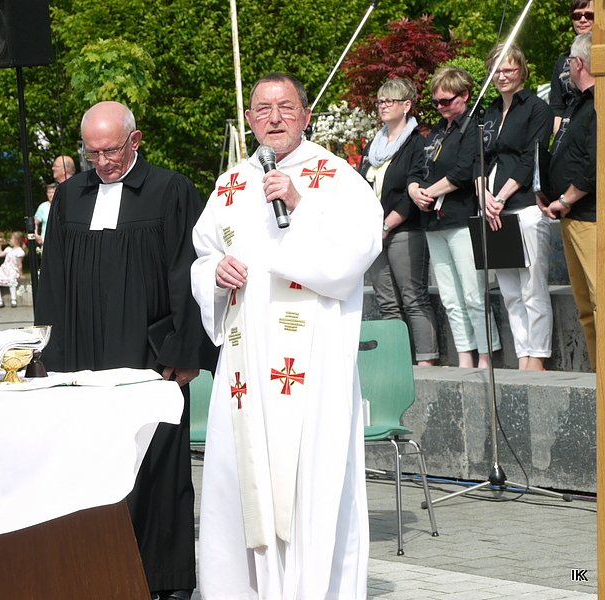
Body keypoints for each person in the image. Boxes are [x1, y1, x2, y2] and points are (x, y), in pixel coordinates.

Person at [191, 73, 381, 598]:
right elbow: (203, 255)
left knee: (308, 481)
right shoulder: (230, 184)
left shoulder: (336, 177)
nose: (274, 118)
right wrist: (214, 274)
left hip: (311, 361)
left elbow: (360, 249)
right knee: (241, 476)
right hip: (246, 363)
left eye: (286, 107)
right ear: (249, 119)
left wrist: (301, 204)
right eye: (263, 109)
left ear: (306, 115)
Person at [34, 101, 215, 600]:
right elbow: (53, 279)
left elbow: (188, 273)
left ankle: (163, 581)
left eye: (110, 151)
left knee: (156, 465)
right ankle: (94, 575)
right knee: (90, 467)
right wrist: (49, 353)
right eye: (91, 153)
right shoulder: (70, 195)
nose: (102, 162)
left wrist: (185, 351)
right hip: (83, 359)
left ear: (134, 141)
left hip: (149, 355)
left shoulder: (171, 190)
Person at [408, 67, 501, 368]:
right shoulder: (437, 131)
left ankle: (485, 354)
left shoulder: (472, 127)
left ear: (464, 96)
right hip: (433, 220)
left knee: (473, 293)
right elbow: (417, 169)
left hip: (460, 217)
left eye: (446, 101)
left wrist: (429, 192)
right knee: (450, 296)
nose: (441, 107)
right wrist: (415, 191)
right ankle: (464, 354)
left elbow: (462, 171)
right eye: (436, 102)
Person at [480, 44, 553, 371]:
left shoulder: (537, 108)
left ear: (521, 70)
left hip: (523, 206)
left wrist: (500, 197)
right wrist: (483, 194)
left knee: (532, 288)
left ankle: (537, 356)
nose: (501, 76)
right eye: (496, 70)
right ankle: (522, 353)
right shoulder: (489, 112)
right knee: (510, 291)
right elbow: (478, 158)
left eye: (508, 69)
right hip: (494, 210)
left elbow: (529, 158)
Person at [360, 78, 439, 366]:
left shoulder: (417, 143)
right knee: (387, 301)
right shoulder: (374, 145)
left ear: (406, 105)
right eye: (380, 101)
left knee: (413, 297)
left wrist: (387, 225)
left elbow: (410, 191)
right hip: (374, 233)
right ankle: (398, 361)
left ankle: (426, 359)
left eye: (389, 101)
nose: (383, 106)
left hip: (404, 229)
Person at [543, 33, 597, 367]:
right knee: (585, 308)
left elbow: (593, 163)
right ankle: (598, 374)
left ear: (578, 64)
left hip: (589, 216)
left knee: (599, 300)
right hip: (569, 215)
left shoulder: (598, 103)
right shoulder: (578, 102)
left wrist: (566, 197)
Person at [549, 1, 594, 134]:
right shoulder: (562, 61)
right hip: (569, 131)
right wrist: (561, 138)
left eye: (589, 15)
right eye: (577, 16)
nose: (582, 20)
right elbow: (557, 107)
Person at [0, 231, 26, 308]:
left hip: (12, 270)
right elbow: (0, 254)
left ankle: (13, 299)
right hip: (4, 269)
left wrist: (21, 274)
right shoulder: (8, 249)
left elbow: (19, 264)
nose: (10, 240)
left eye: (11, 239)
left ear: (16, 241)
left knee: (12, 282)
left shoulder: (19, 251)